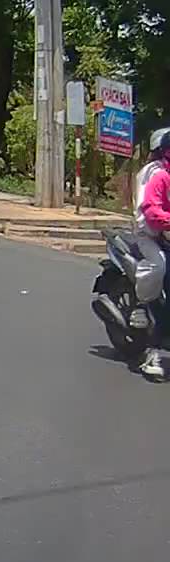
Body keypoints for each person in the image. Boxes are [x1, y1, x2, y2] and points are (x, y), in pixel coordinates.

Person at [133, 128, 170, 377]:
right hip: (149, 234)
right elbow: (151, 210)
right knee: (160, 267)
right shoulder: (157, 175)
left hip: (165, 234)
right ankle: (152, 351)